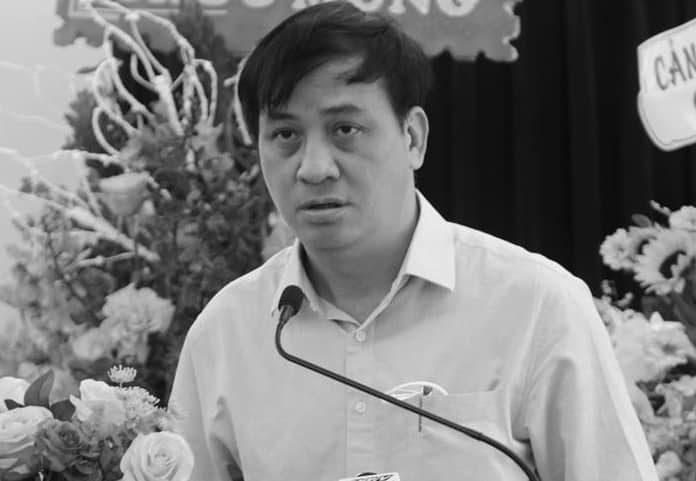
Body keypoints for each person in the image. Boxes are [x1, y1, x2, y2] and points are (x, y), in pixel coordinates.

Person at [169, 2, 658, 480]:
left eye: (345, 129)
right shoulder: (226, 333)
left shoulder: (536, 306)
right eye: (285, 135)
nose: (314, 168)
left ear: (413, 138)